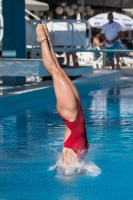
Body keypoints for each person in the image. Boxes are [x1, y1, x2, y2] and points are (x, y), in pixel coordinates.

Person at [36, 23, 89, 168]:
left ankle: (42, 40)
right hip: (77, 111)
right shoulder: (80, 155)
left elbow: (67, 173)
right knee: (59, 70)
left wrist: (67, 171)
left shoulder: (70, 155)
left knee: (55, 72)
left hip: (71, 114)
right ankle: (47, 39)